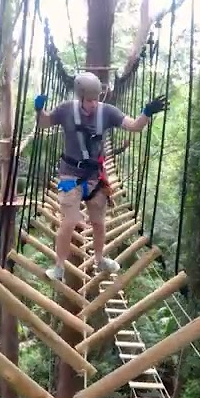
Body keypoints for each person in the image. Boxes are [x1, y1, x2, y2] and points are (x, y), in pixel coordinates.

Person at [34, 72, 168, 282]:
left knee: (99, 223)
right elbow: (43, 123)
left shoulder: (107, 112)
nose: (94, 103)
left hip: (96, 177)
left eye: (97, 98)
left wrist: (146, 113)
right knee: (69, 221)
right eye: (89, 100)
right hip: (70, 174)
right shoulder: (66, 109)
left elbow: (134, 126)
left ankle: (99, 259)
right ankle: (59, 267)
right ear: (80, 97)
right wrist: (39, 109)